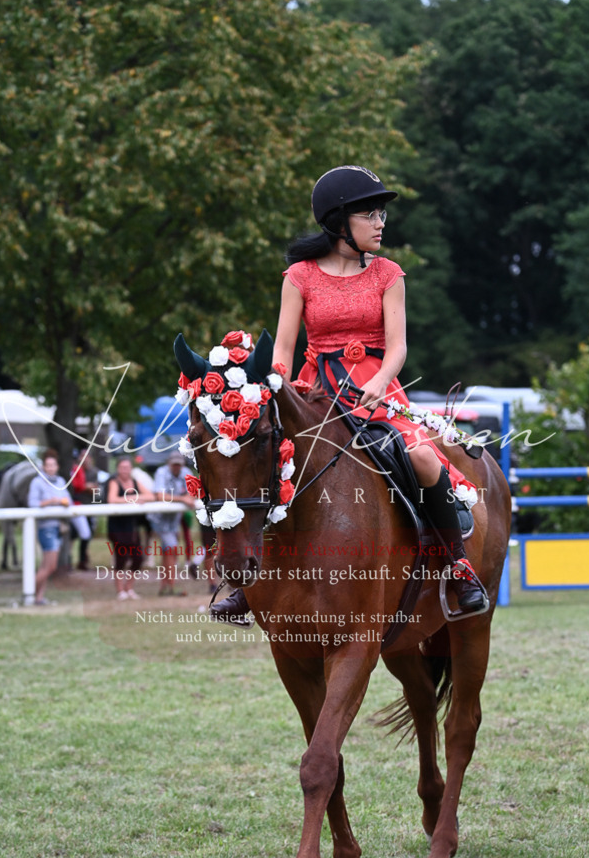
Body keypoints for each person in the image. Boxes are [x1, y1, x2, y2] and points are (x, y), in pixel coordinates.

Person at [211, 164, 487, 624]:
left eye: (382, 214)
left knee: (423, 458)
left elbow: (398, 346)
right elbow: (283, 349)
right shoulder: (299, 276)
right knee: (273, 462)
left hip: (376, 386)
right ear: (339, 221)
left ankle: (457, 565)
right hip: (316, 387)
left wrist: (380, 381)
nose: (381, 223)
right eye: (370, 214)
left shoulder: (388, 274)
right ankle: (251, 585)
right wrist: (276, 391)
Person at [27, 448, 72, 605]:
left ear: (57, 466)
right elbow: (32, 503)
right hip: (46, 528)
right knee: (50, 567)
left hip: (58, 526)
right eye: (48, 465)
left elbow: (68, 500)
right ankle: (28, 592)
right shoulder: (37, 482)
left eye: (53, 465)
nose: (51, 468)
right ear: (44, 466)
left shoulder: (60, 481)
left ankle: (38, 598)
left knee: (46, 566)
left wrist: (62, 502)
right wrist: (51, 501)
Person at [106, 456, 154, 600]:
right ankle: (120, 590)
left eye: (127, 467)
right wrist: (133, 498)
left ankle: (129, 587)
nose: (125, 470)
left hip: (132, 525)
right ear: (118, 469)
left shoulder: (134, 482)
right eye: (122, 467)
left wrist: (137, 497)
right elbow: (112, 499)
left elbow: (151, 496)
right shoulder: (114, 482)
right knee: (121, 557)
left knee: (138, 558)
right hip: (117, 525)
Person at [148, 451, 194, 595]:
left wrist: (188, 497)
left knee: (168, 551)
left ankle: (165, 586)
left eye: (178, 465)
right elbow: (160, 495)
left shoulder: (186, 472)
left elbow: (192, 492)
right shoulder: (161, 472)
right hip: (159, 518)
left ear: (182, 465)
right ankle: (172, 585)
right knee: (172, 548)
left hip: (174, 519)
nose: (176, 467)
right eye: (174, 464)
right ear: (169, 463)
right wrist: (183, 499)